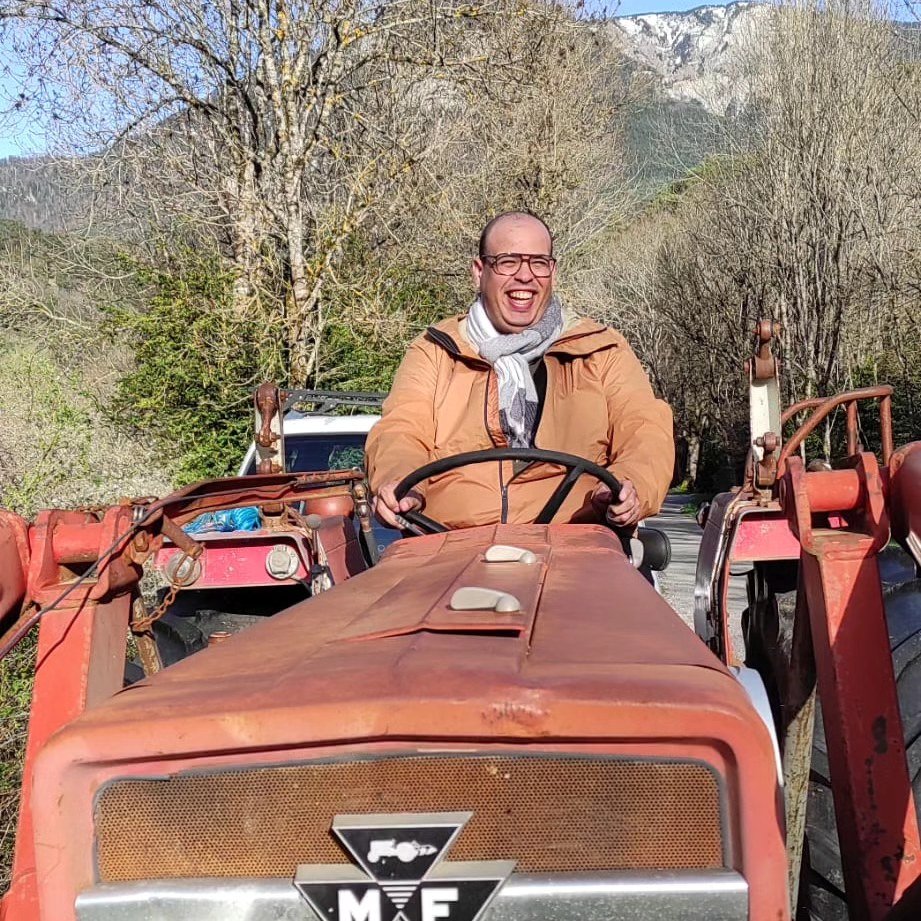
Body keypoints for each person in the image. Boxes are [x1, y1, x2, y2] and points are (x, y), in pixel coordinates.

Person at [366, 211, 674, 531]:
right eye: (508, 261)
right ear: (479, 272)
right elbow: (402, 429)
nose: (525, 276)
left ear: (552, 272)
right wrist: (400, 481)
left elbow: (644, 430)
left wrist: (629, 483)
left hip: (576, 544)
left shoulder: (601, 350)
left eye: (538, 262)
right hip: (449, 543)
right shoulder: (436, 351)